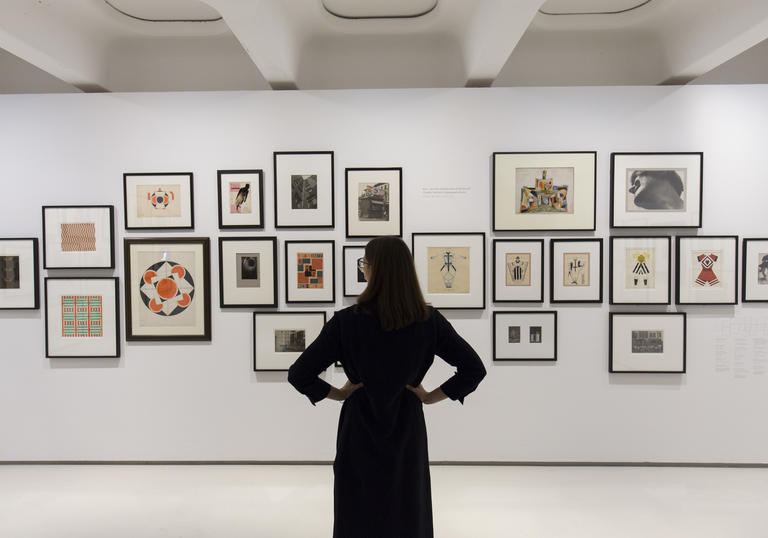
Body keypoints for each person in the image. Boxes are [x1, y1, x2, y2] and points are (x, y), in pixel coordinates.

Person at [288, 236, 486, 538]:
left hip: (359, 428)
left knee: (357, 509)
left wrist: (339, 393)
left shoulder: (346, 322)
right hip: (407, 426)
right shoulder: (428, 320)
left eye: (364, 264)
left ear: (373, 269)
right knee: (407, 508)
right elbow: (473, 369)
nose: (363, 270)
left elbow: (300, 373)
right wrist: (430, 397)